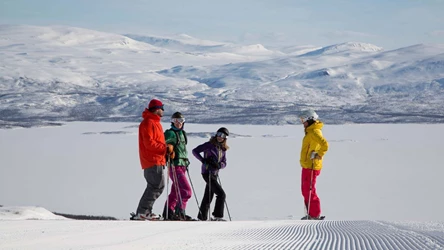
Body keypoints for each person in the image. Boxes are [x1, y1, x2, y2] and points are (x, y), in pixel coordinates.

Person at [132, 99, 173, 220]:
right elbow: (150, 144)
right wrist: (165, 148)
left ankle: (145, 212)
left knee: (155, 186)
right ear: (157, 109)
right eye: (162, 108)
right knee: (156, 186)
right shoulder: (149, 123)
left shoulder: (154, 122)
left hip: (157, 159)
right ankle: (142, 212)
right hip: (152, 160)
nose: (163, 110)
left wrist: (166, 151)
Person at [192, 127, 229, 221]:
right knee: (221, 194)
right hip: (207, 172)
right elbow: (195, 151)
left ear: (225, 138)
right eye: (219, 134)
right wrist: (204, 161)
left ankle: (202, 217)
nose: (220, 137)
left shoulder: (223, 149)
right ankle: (218, 216)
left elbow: (224, 162)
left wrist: (219, 165)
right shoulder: (209, 145)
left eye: (223, 135)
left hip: (215, 174)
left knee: (208, 195)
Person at [162, 112, 193, 221]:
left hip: (182, 165)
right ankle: (180, 212)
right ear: (172, 121)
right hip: (175, 166)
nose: (178, 123)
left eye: (180, 120)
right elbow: (162, 144)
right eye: (175, 120)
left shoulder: (182, 133)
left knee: (176, 190)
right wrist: (168, 150)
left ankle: (169, 212)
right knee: (186, 191)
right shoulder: (170, 133)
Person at [299, 110, 329, 220]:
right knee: (305, 190)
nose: (302, 123)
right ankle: (310, 214)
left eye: (304, 120)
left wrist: (318, 154)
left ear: (310, 119)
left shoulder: (315, 132)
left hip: (311, 166)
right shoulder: (310, 131)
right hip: (307, 165)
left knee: (309, 190)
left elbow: (325, 145)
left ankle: (314, 215)